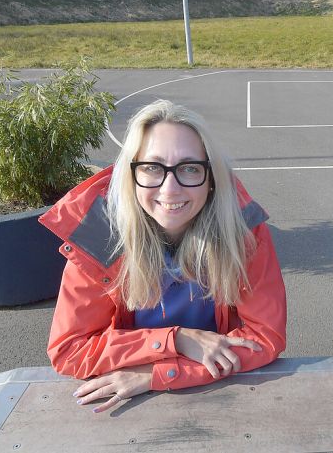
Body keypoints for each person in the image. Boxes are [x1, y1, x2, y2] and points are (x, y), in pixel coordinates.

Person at [41, 99, 287, 413]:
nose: (170, 190)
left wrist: (157, 374)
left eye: (189, 168)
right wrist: (176, 340)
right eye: (152, 168)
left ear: (211, 179)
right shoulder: (98, 236)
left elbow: (265, 337)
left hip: (218, 392)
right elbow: (70, 351)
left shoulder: (241, 229)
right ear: (131, 176)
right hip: (138, 403)